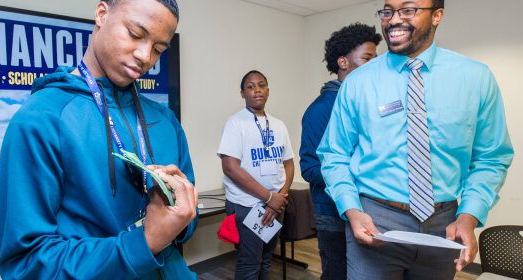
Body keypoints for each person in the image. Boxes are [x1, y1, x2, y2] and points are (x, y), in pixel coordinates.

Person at [0, 0, 199, 279]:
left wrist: (180, 215)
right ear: (102, 14)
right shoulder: (41, 119)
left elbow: (190, 218)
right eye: (135, 34)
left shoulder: (166, 120)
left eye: (158, 49)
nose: (145, 56)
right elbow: (27, 264)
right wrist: (144, 242)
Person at [317, 0, 514, 279]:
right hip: (374, 220)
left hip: (444, 224)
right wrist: (351, 210)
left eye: (408, 10)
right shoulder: (358, 82)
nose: (394, 19)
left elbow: (491, 158)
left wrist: (469, 215)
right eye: (388, 11)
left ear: (437, 16)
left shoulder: (476, 78)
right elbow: (334, 154)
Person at [300, 22, 381, 280]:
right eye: (367, 58)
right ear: (343, 62)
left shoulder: (368, 102)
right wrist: (350, 175)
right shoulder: (320, 109)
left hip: (366, 209)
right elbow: (310, 167)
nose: (375, 66)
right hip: (332, 213)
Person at [218, 70, 294, 280]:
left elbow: (288, 163)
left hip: (277, 205)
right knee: (250, 262)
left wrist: (280, 197)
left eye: (261, 85)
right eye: (250, 86)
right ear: (242, 93)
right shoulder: (235, 123)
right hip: (248, 205)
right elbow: (230, 167)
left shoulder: (279, 124)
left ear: (268, 90)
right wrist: (269, 198)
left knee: (267, 257)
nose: (257, 90)